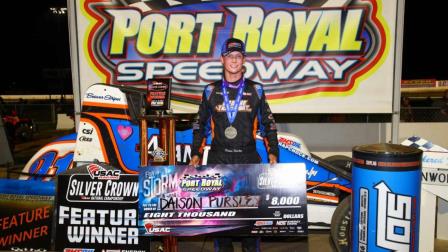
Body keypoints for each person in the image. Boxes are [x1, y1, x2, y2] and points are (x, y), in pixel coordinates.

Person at [190, 38, 279, 252]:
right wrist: (195, 153)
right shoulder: (210, 91)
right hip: (219, 160)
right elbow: (199, 124)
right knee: (221, 225)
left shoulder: (256, 90)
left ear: (244, 60)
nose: (234, 60)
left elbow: (269, 124)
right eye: (230, 56)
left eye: (238, 56)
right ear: (222, 59)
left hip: (248, 160)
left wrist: (273, 152)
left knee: (251, 222)